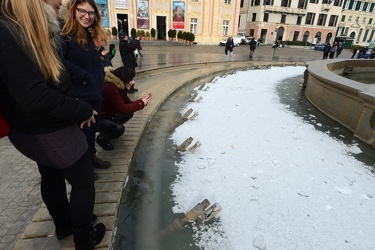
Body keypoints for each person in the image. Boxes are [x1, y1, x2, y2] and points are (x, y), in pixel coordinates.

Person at [0, 0, 105, 249]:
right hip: (46, 128)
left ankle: (64, 225)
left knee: (50, 174)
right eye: (57, 3)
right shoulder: (11, 31)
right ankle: (83, 238)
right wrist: (79, 108)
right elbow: (35, 95)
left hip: (35, 126)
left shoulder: (19, 27)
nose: (61, 3)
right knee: (83, 181)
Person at [61, 0, 112, 171]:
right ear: (73, 10)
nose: (87, 16)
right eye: (82, 11)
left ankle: (91, 156)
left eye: (91, 13)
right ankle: (83, 168)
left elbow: (94, 61)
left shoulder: (87, 34)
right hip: (80, 93)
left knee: (92, 130)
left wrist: (100, 71)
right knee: (81, 133)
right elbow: (58, 61)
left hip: (94, 91)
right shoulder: (65, 34)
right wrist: (84, 75)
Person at [96, 66, 152, 150]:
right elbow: (123, 108)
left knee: (128, 113)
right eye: (131, 79)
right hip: (97, 118)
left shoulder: (119, 86)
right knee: (119, 128)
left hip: (107, 114)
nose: (133, 82)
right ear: (125, 79)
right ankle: (102, 138)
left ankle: (108, 130)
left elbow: (128, 104)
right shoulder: (110, 88)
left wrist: (143, 101)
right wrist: (141, 103)